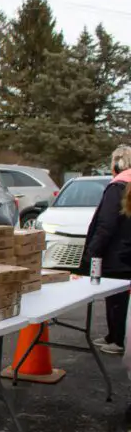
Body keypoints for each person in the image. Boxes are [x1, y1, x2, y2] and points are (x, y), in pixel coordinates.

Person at [81, 145, 131, 355]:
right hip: (126, 252)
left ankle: (118, 339)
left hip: (117, 252)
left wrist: (92, 253)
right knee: (120, 298)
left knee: (116, 298)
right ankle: (114, 335)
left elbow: (106, 224)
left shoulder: (118, 186)